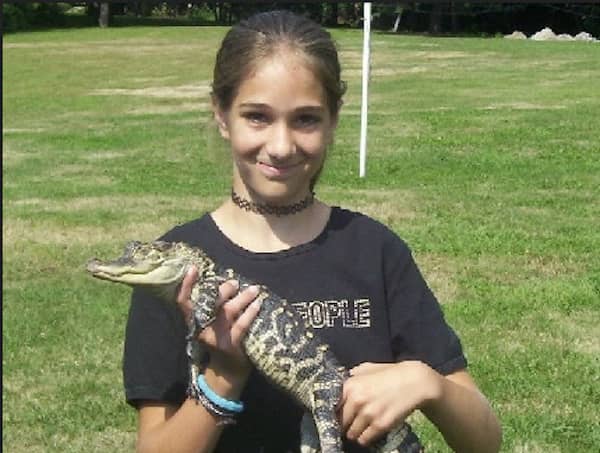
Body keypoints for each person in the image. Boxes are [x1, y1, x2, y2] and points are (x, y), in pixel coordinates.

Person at [123, 9, 502, 453]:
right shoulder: (176, 268)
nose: (281, 146)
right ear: (222, 116)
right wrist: (224, 373)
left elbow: (484, 442)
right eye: (257, 116)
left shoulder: (374, 251)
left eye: (305, 119)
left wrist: (427, 383)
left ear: (333, 119)